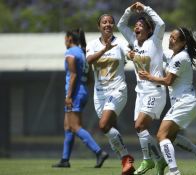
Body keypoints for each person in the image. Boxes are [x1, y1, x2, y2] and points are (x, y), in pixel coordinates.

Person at [138, 27, 196, 175]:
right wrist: (137, 54)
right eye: (170, 36)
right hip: (186, 103)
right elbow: (158, 55)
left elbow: (168, 81)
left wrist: (149, 77)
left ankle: (174, 171)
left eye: (174, 38)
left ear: (183, 43)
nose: (170, 39)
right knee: (170, 137)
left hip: (185, 102)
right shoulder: (175, 55)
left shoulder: (180, 57)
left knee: (161, 136)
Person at [117, 2, 167, 175]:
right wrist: (129, 10)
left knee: (140, 125)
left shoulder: (155, 40)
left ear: (148, 30)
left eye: (141, 25)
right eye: (136, 25)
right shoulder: (133, 41)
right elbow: (121, 25)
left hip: (155, 90)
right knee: (139, 129)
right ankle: (152, 160)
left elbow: (161, 24)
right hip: (141, 92)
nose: (137, 27)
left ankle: (154, 160)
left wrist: (145, 8)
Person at [86, 14, 135, 175]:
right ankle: (127, 161)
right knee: (108, 129)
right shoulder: (92, 44)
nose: (107, 24)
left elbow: (131, 54)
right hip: (99, 95)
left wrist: (134, 55)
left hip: (117, 90)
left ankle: (126, 158)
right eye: (104, 22)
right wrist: (104, 50)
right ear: (99, 25)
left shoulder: (120, 43)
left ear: (113, 25)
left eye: (110, 22)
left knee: (103, 124)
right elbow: (89, 60)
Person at [52, 28, 108, 168]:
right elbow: (89, 78)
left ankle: (99, 152)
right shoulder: (83, 53)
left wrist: (69, 95)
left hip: (75, 93)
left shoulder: (71, 52)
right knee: (68, 127)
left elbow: (73, 75)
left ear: (70, 38)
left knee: (75, 126)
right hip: (82, 91)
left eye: (65, 38)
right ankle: (65, 160)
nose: (65, 41)